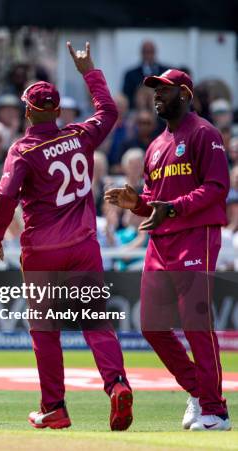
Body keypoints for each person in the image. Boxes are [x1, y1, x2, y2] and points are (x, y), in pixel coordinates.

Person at [0, 42, 133, 431]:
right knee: (95, 321)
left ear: (30, 111)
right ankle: (116, 384)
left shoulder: (23, 149)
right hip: (84, 245)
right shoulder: (81, 135)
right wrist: (89, 70)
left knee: (46, 330)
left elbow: (4, 197)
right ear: (57, 110)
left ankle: (54, 407)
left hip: (43, 251)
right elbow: (110, 110)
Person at [105, 69, 232, 431]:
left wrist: (173, 207)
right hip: (161, 242)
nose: (156, 95)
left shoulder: (204, 133)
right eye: (154, 90)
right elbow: (152, 202)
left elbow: (217, 187)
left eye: (165, 89)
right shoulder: (156, 145)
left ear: (186, 94)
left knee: (196, 325)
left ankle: (215, 411)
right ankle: (199, 392)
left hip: (195, 236)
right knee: (152, 327)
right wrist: (136, 202)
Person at [122, 41, 169, 108]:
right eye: (146, 52)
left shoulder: (166, 73)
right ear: (141, 53)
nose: (148, 55)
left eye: (151, 52)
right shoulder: (130, 75)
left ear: (155, 52)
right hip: (137, 112)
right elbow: (126, 97)